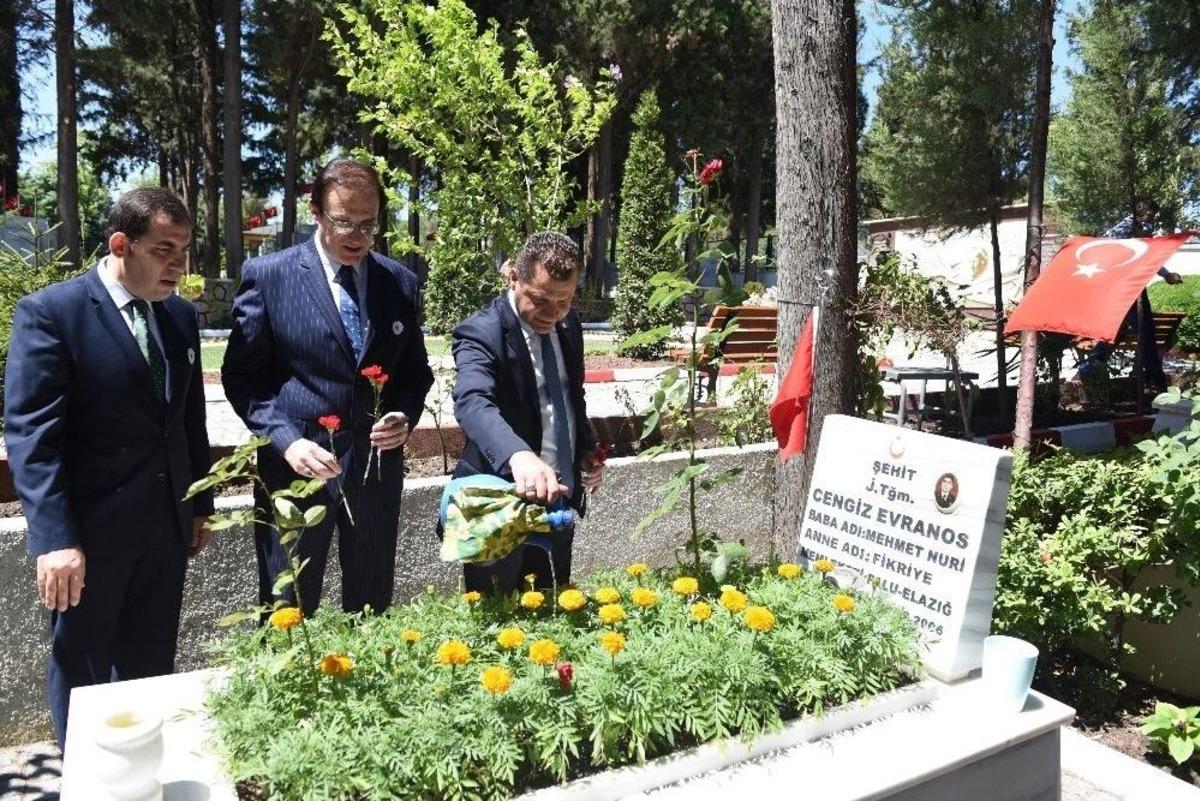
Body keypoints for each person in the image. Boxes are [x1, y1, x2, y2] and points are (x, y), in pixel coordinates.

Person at [4, 188, 214, 749]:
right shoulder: (54, 314)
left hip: (164, 535)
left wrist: (200, 505)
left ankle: (138, 780)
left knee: (149, 677)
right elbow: (32, 437)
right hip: (87, 543)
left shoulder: (177, 318)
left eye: (185, 250)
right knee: (85, 681)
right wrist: (54, 540)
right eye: (164, 249)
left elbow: (188, 419)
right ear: (121, 244)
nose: (178, 264)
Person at [223, 157, 433, 617]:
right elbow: (242, 378)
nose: (357, 237)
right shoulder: (271, 276)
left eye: (368, 225)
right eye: (344, 223)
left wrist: (403, 414)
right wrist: (286, 441)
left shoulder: (399, 282)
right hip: (296, 470)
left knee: (373, 608)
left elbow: (416, 374)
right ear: (315, 211)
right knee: (288, 610)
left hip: (375, 473)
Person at [450, 232, 605, 595]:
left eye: (564, 301)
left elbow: (569, 395)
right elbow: (472, 400)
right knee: (495, 623)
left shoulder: (569, 325)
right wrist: (518, 456)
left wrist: (586, 448)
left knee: (553, 611)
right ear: (513, 278)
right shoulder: (481, 331)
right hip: (498, 504)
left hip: (559, 498)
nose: (553, 314)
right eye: (540, 300)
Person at [1080, 199, 1183, 392]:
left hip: (1114, 283)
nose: (1152, 220)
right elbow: (1145, 255)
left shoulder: (1120, 229)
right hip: (1127, 283)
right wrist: (1166, 274)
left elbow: (1140, 255)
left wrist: (1166, 274)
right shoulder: (1135, 227)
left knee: (1118, 326)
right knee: (1146, 328)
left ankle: (1095, 361)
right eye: (1151, 214)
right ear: (1142, 212)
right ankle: (1154, 377)